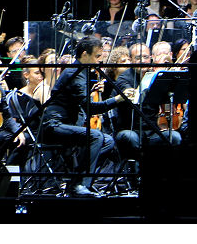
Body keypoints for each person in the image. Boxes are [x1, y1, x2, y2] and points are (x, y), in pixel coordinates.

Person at [39, 36, 137, 196]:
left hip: (66, 125)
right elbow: (90, 108)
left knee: (108, 141)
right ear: (85, 54)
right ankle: (79, 185)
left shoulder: (81, 73)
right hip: (53, 126)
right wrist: (118, 99)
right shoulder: (76, 73)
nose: (100, 60)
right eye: (97, 56)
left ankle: (79, 182)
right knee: (97, 136)